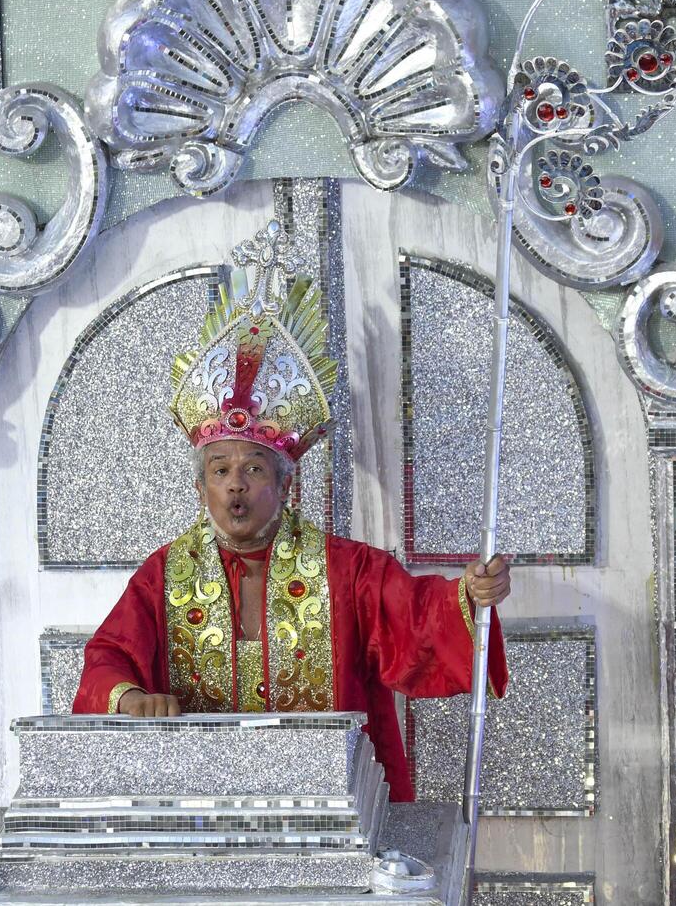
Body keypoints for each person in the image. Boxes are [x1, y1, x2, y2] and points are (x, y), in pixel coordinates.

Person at [73, 252, 509, 801]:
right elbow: (109, 656)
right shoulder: (163, 575)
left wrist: (469, 595)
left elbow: (419, 624)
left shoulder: (350, 572)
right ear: (200, 486)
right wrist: (130, 697)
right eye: (220, 470)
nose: (236, 485)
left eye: (254, 469)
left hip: (331, 811)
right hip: (201, 811)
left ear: (284, 485)